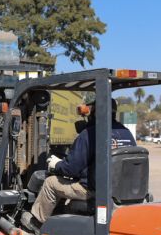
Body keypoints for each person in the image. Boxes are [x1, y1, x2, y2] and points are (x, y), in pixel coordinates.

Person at [29, 98, 137, 228]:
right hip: (121, 190)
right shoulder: (127, 133)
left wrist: (56, 165)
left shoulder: (90, 134)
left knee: (50, 183)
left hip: (93, 191)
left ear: (95, 112)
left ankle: (36, 224)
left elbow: (71, 169)